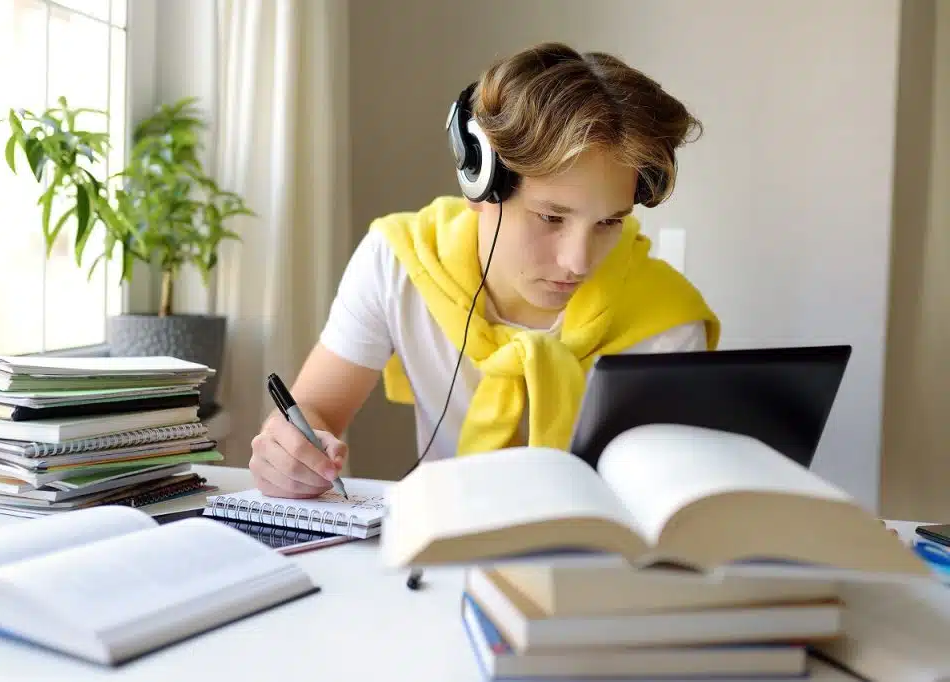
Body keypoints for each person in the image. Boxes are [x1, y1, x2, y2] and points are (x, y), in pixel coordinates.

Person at [249, 42, 720, 499]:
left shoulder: (667, 318)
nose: (577, 262)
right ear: (481, 184)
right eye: (552, 218)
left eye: (609, 222)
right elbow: (315, 411)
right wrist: (287, 453)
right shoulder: (400, 261)